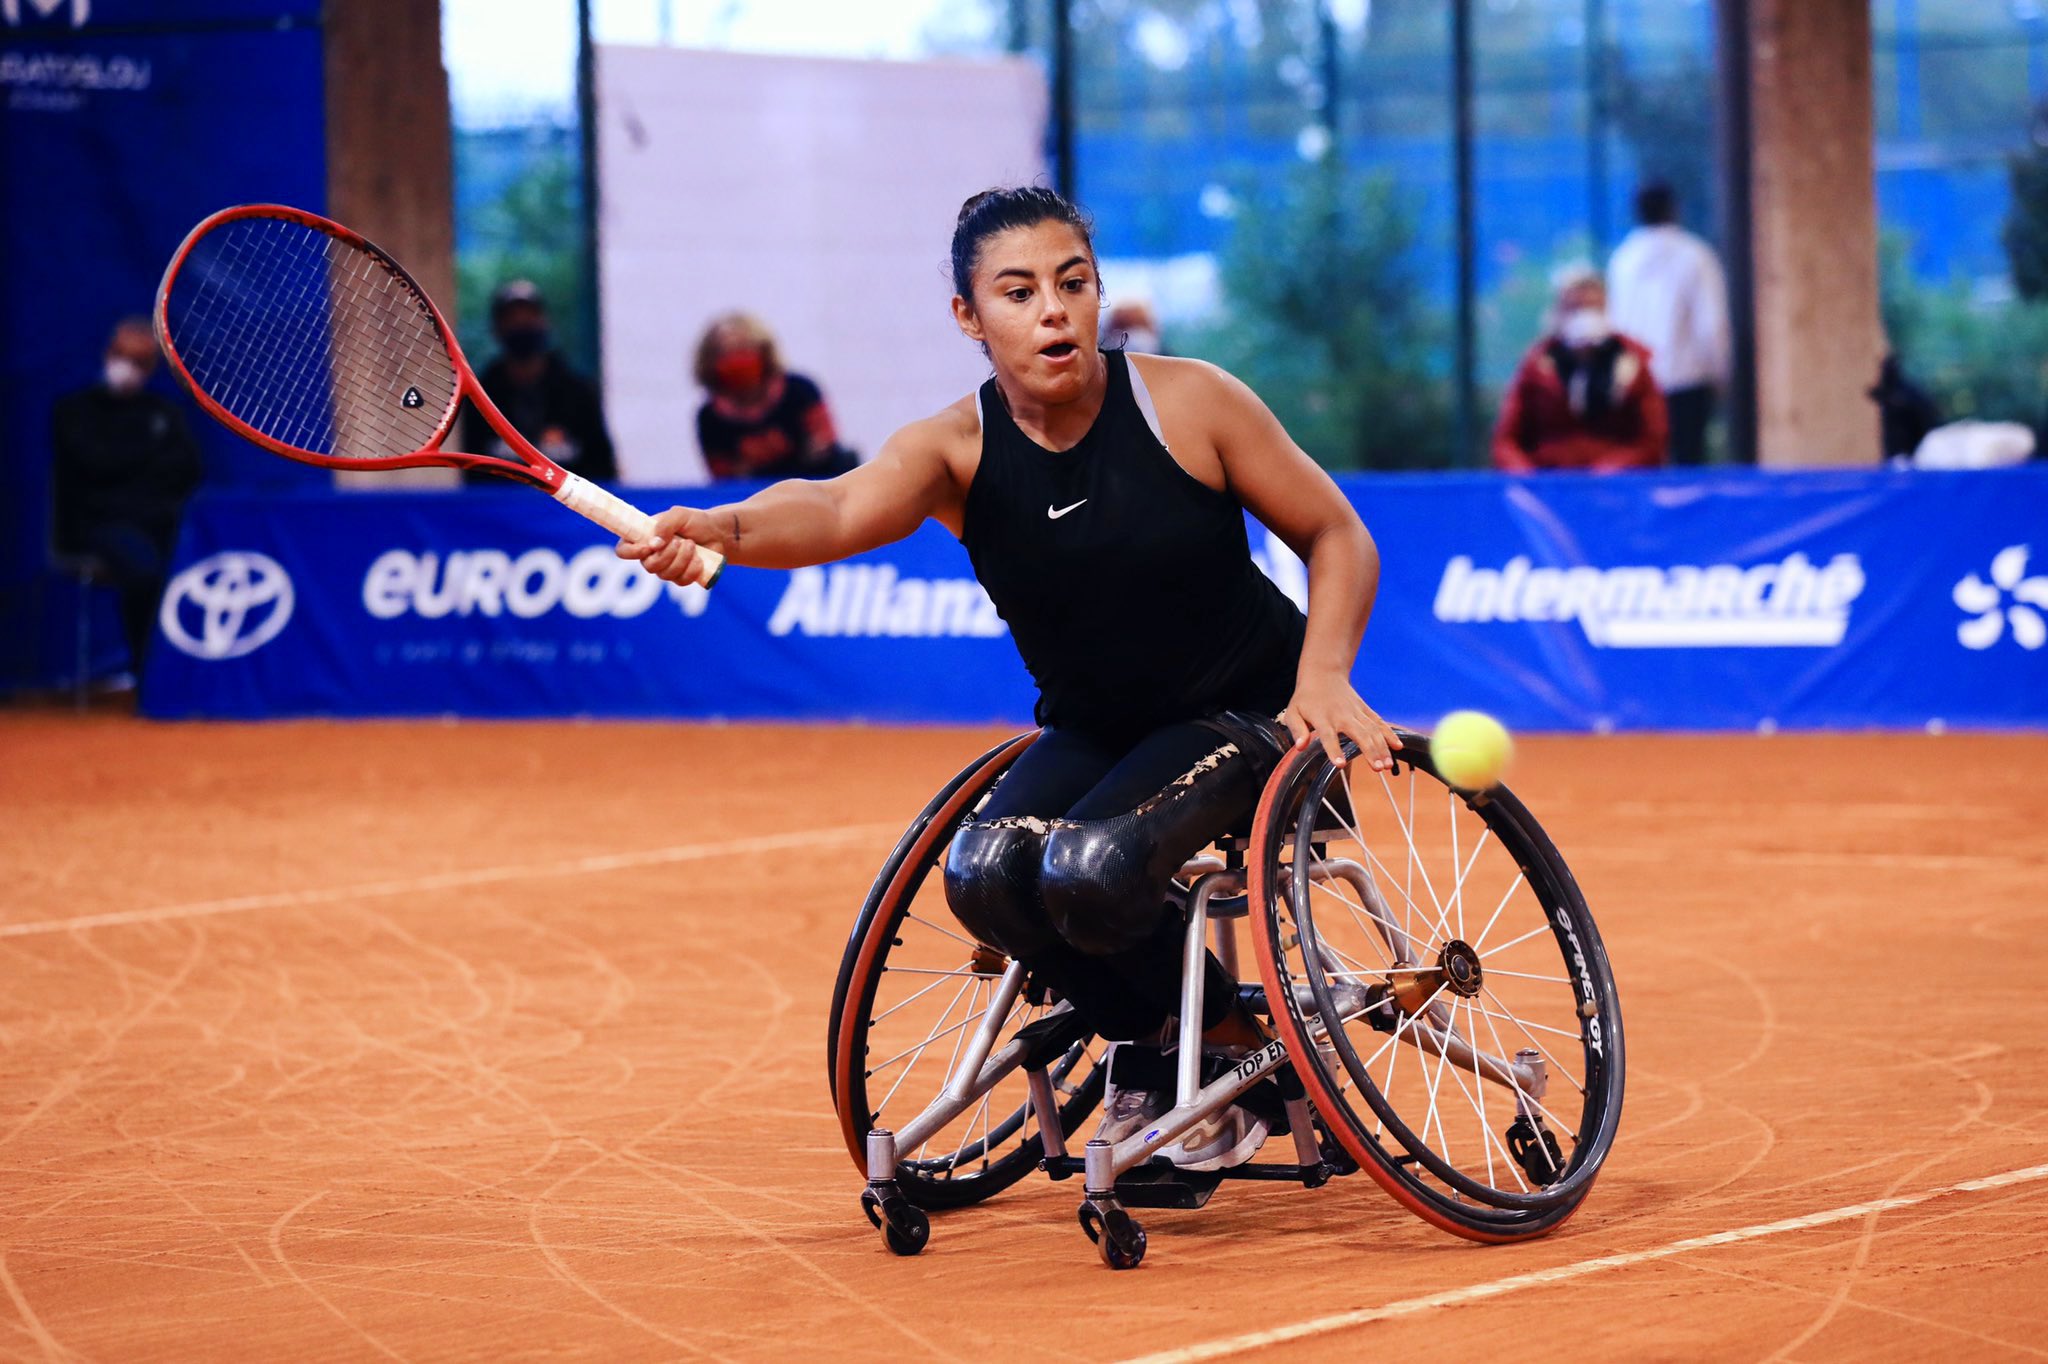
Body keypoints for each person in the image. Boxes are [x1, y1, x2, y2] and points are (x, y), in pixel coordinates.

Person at [619, 186, 1400, 1171]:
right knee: (983, 873)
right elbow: (833, 504)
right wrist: (719, 532)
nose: (1052, 311)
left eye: (1072, 283)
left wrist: (1323, 675)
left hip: (1245, 713)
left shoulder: (1189, 401)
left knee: (1086, 864)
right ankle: (1184, 1041)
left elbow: (1336, 534)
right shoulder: (952, 449)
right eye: (1018, 290)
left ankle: (1202, 1052)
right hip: (1098, 728)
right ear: (967, 316)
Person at [51, 317, 205, 678]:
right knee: (145, 572)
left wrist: (131, 460)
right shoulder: (73, 411)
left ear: (150, 368)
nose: (127, 368)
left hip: (159, 522)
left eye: (139, 361)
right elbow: (93, 464)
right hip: (98, 525)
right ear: (108, 354)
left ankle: (192, 674)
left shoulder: (163, 411)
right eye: (122, 356)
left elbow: (188, 468)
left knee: (196, 562)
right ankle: (146, 670)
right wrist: (148, 453)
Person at [1493, 265, 1668, 473]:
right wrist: (1529, 478)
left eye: (1592, 308)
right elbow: (1506, 440)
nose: (1584, 317)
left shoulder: (1633, 364)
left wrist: (1615, 469)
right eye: (1575, 307)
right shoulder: (1535, 366)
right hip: (1550, 486)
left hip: (1616, 491)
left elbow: (1653, 439)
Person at [1606, 182, 1731, 466]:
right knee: (1688, 466)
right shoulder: (1695, 255)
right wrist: (1721, 371)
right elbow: (1711, 323)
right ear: (1674, 209)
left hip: (1636, 380)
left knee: (1642, 466)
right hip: (1687, 379)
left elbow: (1615, 324)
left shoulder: (1623, 260)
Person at [459, 280, 616, 483]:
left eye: (529, 317)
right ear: (497, 328)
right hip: (500, 512)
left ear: (545, 322)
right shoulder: (480, 398)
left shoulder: (579, 394)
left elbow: (604, 468)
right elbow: (471, 475)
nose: (522, 324)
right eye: (512, 319)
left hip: (569, 511)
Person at [693, 313, 857, 480]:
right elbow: (725, 480)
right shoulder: (710, 418)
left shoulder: (800, 391)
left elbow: (825, 446)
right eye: (725, 352)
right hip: (755, 498)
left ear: (763, 350)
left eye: (743, 348)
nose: (736, 359)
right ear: (710, 362)